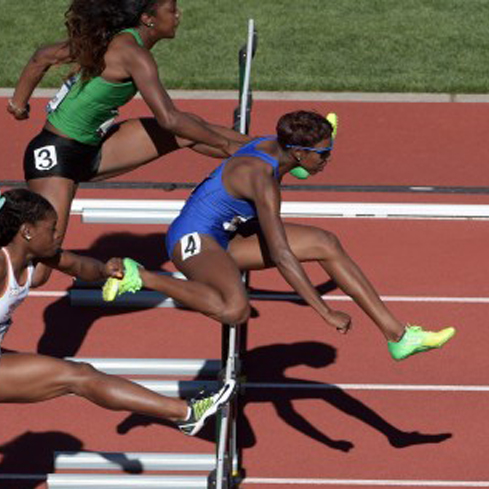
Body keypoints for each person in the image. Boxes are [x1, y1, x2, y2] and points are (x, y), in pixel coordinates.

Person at [104, 110, 456, 361]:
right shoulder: (263, 183)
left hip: (228, 235)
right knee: (234, 309)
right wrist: (324, 311)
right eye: (324, 154)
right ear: (299, 152)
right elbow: (282, 254)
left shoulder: (272, 145)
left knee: (325, 243)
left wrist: (314, 144)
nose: (329, 160)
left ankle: (398, 336)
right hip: (192, 240)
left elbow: (217, 140)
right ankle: (142, 276)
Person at [7, 0, 249, 283]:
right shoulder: (132, 53)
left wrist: (19, 105)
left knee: (188, 130)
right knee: (40, 269)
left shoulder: (115, 42)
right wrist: (225, 145)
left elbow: (43, 56)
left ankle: (262, 149)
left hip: (94, 150)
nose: (178, 15)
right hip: (55, 155)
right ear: (148, 18)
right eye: (171, 10)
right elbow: (169, 118)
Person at [0, 188, 235, 436]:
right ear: (27, 231)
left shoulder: (36, 257)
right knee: (78, 376)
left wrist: (105, 270)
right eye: (51, 229)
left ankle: (186, 413)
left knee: (81, 375)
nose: (58, 234)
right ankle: (185, 413)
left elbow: (79, 266)